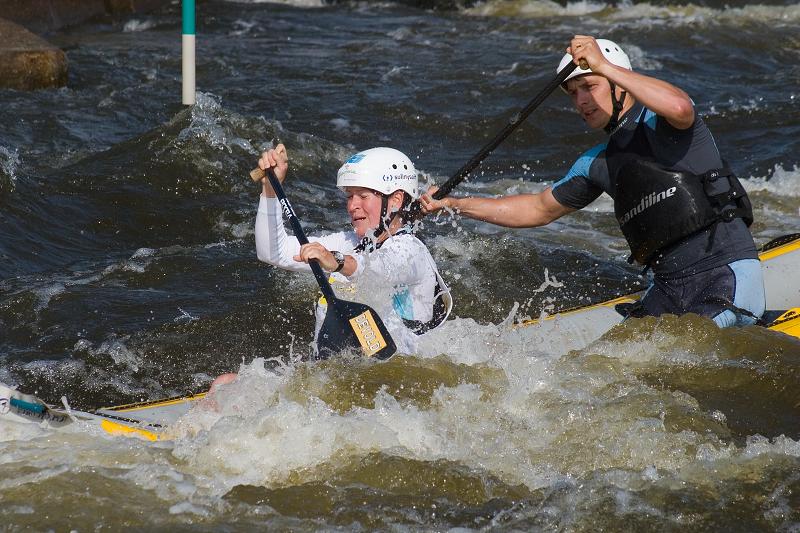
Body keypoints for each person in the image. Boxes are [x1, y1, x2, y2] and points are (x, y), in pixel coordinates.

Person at [420, 35, 765, 328]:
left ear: (619, 82)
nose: (581, 100)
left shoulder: (665, 122)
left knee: (691, 351)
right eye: (572, 92)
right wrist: (453, 204)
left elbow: (680, 106)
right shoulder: (596, 163)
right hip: (667, 286)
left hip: (724, 274)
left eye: (589, 86)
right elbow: (537, 209)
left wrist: (603, 65)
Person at [220, 143, 451, 388]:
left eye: (363, 196)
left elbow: (378, 268)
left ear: (395, 200)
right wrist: (270, 189)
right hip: (339, 378)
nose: (352, 206)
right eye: (350, 196)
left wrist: (338, 262)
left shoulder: (411, 250)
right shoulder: (349, 242)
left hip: (395, 385)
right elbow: (272, 252)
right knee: (225, 383)